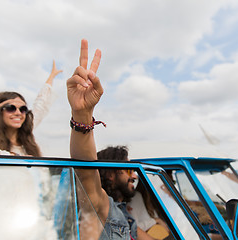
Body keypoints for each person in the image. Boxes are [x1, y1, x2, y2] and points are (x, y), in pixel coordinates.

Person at [67, 39, 159, 240]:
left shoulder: (125, 215)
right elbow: (85, 175)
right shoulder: (100, 206)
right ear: (110, 175)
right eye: (127, 170)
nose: (134, 176)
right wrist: (82, 116)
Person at [0, 60, 62, 156]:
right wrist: (11, 156)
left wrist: (51, 77)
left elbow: (41, 104)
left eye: (23, 109)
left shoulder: (28, 141)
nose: (18, 113)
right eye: (11, 108)